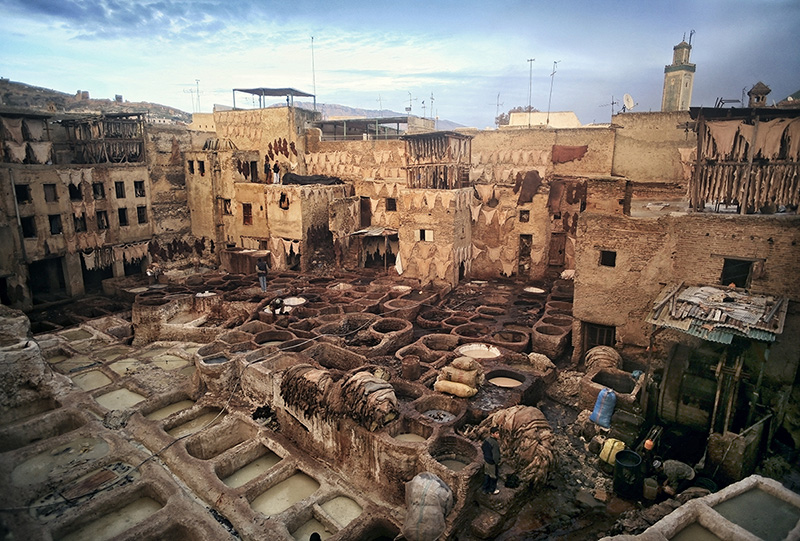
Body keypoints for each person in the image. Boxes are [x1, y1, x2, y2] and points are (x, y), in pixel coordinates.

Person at [481, 426, 501, 495]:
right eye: (496, 433)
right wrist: (497, 462)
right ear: (492, 434)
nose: (498, 435)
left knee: (487, 474)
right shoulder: (494, 443)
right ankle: (492, 490)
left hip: (486, 460)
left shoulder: (487, 440)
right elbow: (496, 455)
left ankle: (484, 489)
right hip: (492, 463)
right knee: (493, 476)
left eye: (498, 433)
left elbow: (482, 447)